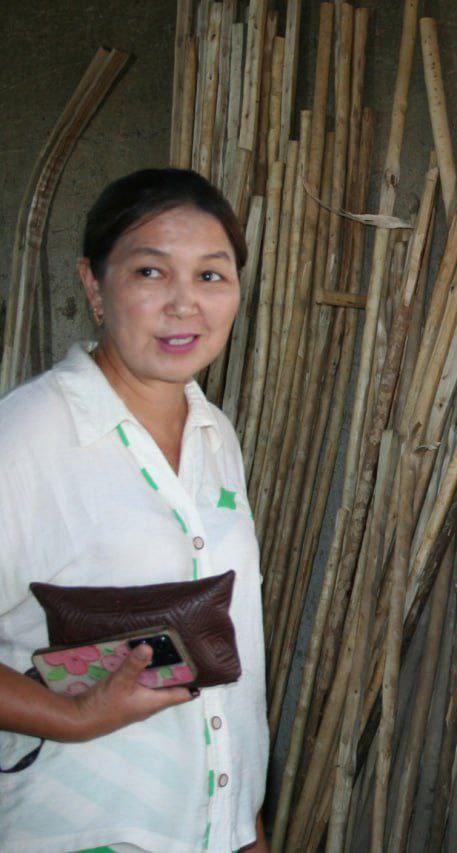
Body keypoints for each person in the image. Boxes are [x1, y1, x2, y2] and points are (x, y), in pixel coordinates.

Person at [0, 169, 269, 852]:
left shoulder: (215, 435)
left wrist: (244, 826)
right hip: (80, 830)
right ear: (94, 285)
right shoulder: (27, 438)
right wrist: (75, 715)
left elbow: (230, 650)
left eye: (211, 275)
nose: (185, 305)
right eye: (151, 272)